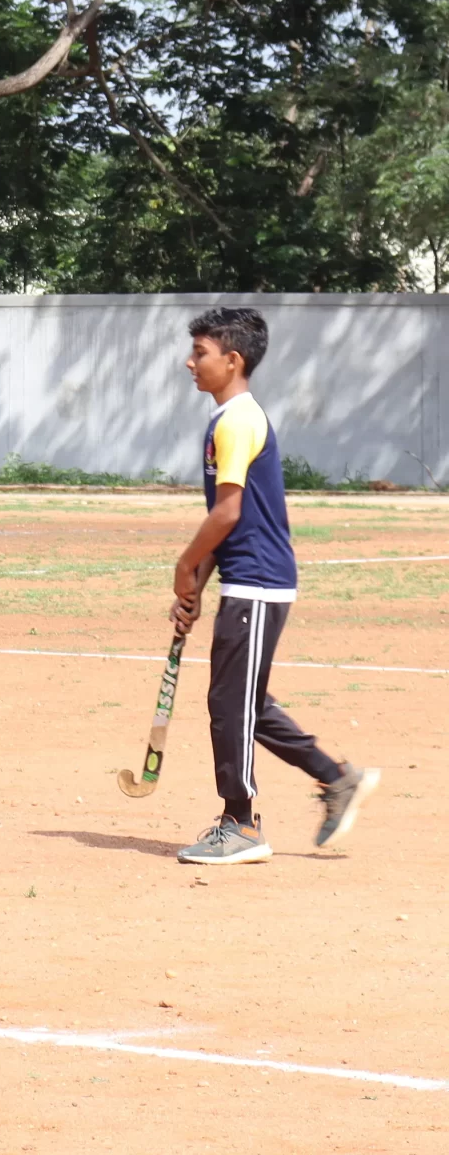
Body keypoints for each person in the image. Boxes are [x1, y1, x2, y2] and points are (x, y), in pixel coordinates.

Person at [169, 306, 379, 865]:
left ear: (232, 360)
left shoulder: (237, 419)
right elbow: (227, 515)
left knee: (229, 704)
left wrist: (184, 566)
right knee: (246, 704)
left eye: (201, 353)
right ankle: (337, 779)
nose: (189, 363)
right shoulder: (227, 419)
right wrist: (196, 584)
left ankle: (240, 824)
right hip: (249, 577)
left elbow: (228, 512)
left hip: (258, 581)